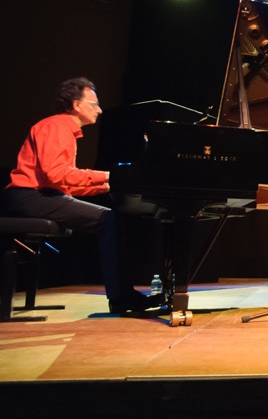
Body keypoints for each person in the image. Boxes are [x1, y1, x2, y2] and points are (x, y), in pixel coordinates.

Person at [4, 77, 162, 313]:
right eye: (94, 104)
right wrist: (108, 177)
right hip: (29, 196)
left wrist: (111, 185)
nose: (99, 110)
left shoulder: (63, 129)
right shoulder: (57, 127)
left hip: (43, 195)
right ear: (76, 105)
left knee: (111, 218)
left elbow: (64, 186)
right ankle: (122, 297)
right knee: (109, 219)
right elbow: (57, 175)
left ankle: (123, 295)